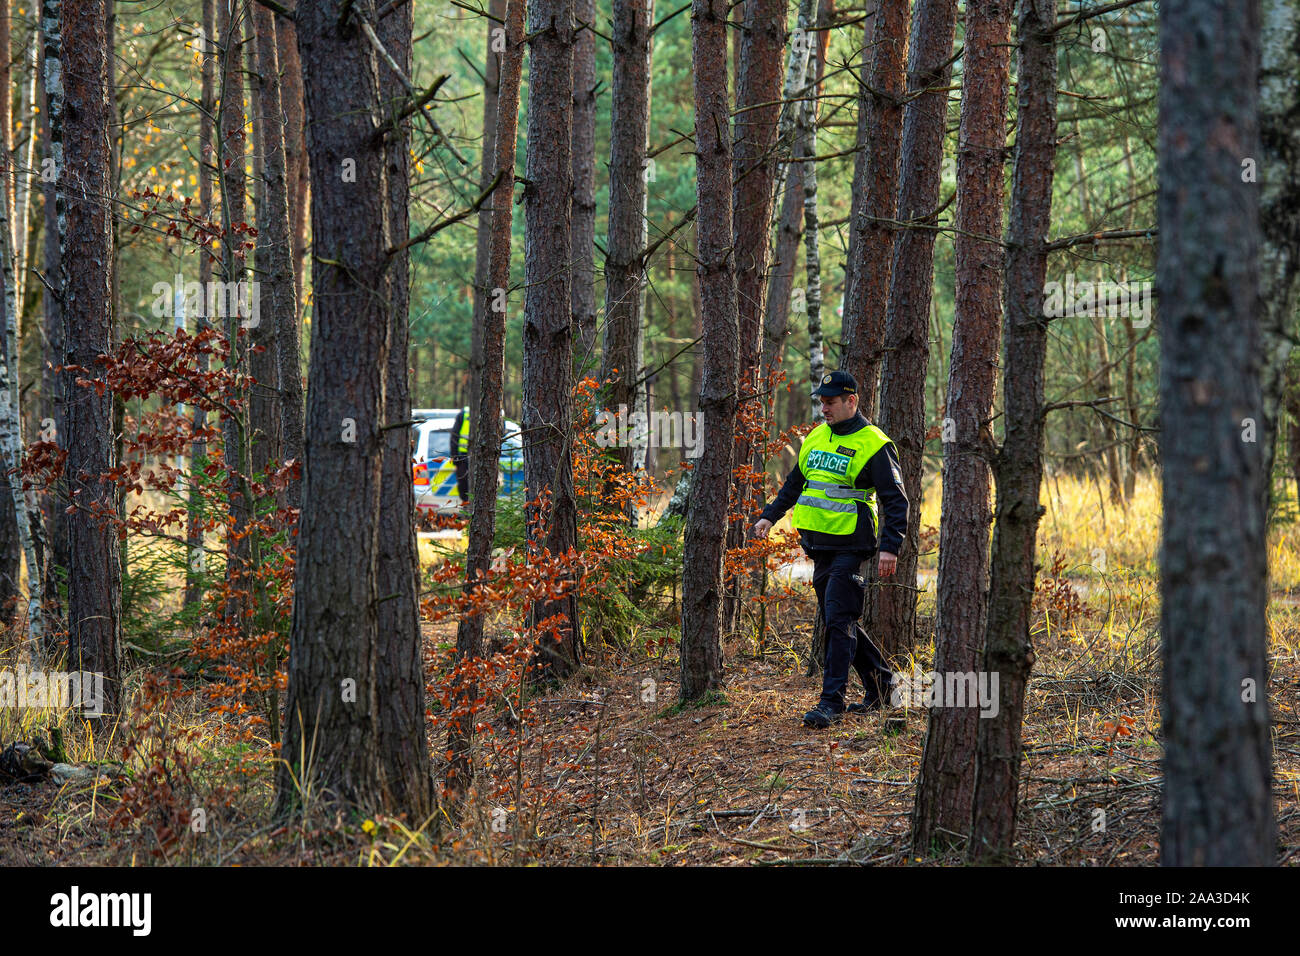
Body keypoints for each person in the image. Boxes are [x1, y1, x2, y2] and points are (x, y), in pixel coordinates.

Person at [752, 370, 908, 729]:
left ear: (851, 401)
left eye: (831, 402)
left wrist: (891, 547)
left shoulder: (874, 443)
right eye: (821, 401)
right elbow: (795, 484)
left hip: (853, 544)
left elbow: (895, 501)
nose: (824, 408)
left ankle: (831, 702)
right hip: (820, 545)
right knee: (842, 620)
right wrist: (768, 517)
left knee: (838, 620)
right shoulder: (816, 437)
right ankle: (884, 687)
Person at [451, 406, 470, 505]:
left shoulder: (464, 413)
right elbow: (454, 438)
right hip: (463, 458)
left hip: (464, 458)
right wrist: (456, 460)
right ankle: (467, 514)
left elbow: (453, 438)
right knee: (465, 490)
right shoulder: (464, 414)